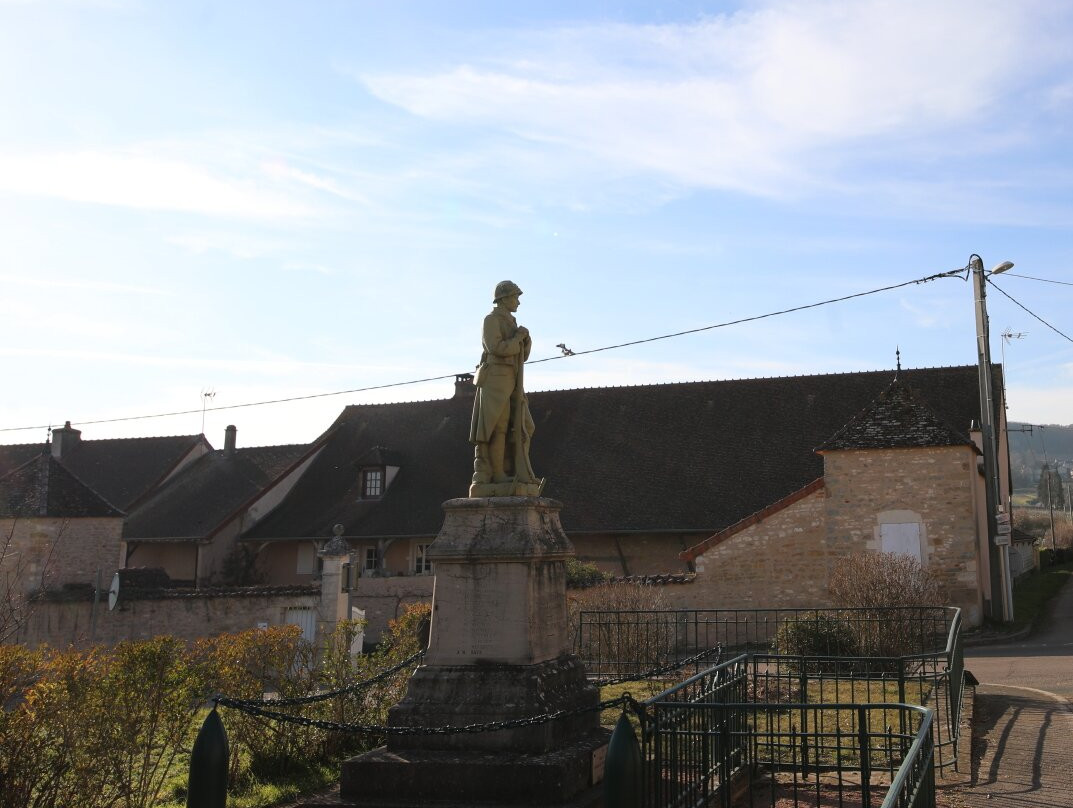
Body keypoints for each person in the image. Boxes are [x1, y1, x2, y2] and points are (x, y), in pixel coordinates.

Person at [469, 280, 540, 495]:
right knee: (498, 428)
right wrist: (518, 338)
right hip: (496, 379)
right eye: (515, 297)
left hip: (513, 379)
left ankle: (520, 469)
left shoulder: (511, 322)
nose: (518, 302)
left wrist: (525, 341)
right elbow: (496, 348)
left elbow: (521, 356)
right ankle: (497, 473)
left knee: (525, 426)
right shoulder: (491, 320)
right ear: (504, 298)